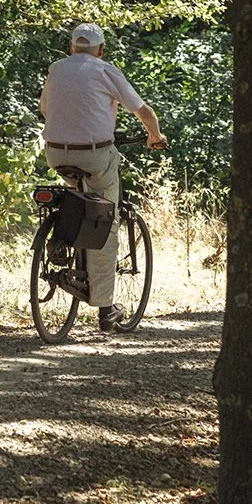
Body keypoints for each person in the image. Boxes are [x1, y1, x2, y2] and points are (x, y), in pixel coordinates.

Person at [39, 21, 166, 331]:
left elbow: (45, 109)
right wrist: (155, 136)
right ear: (100, 50)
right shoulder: (105, 70)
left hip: (56, 153)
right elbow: (143, 110)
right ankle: (106, 309)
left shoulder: (57, 69)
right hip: (95, 155)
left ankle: (59, 242)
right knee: (105, 217)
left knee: (76, 196)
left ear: (71, 47)